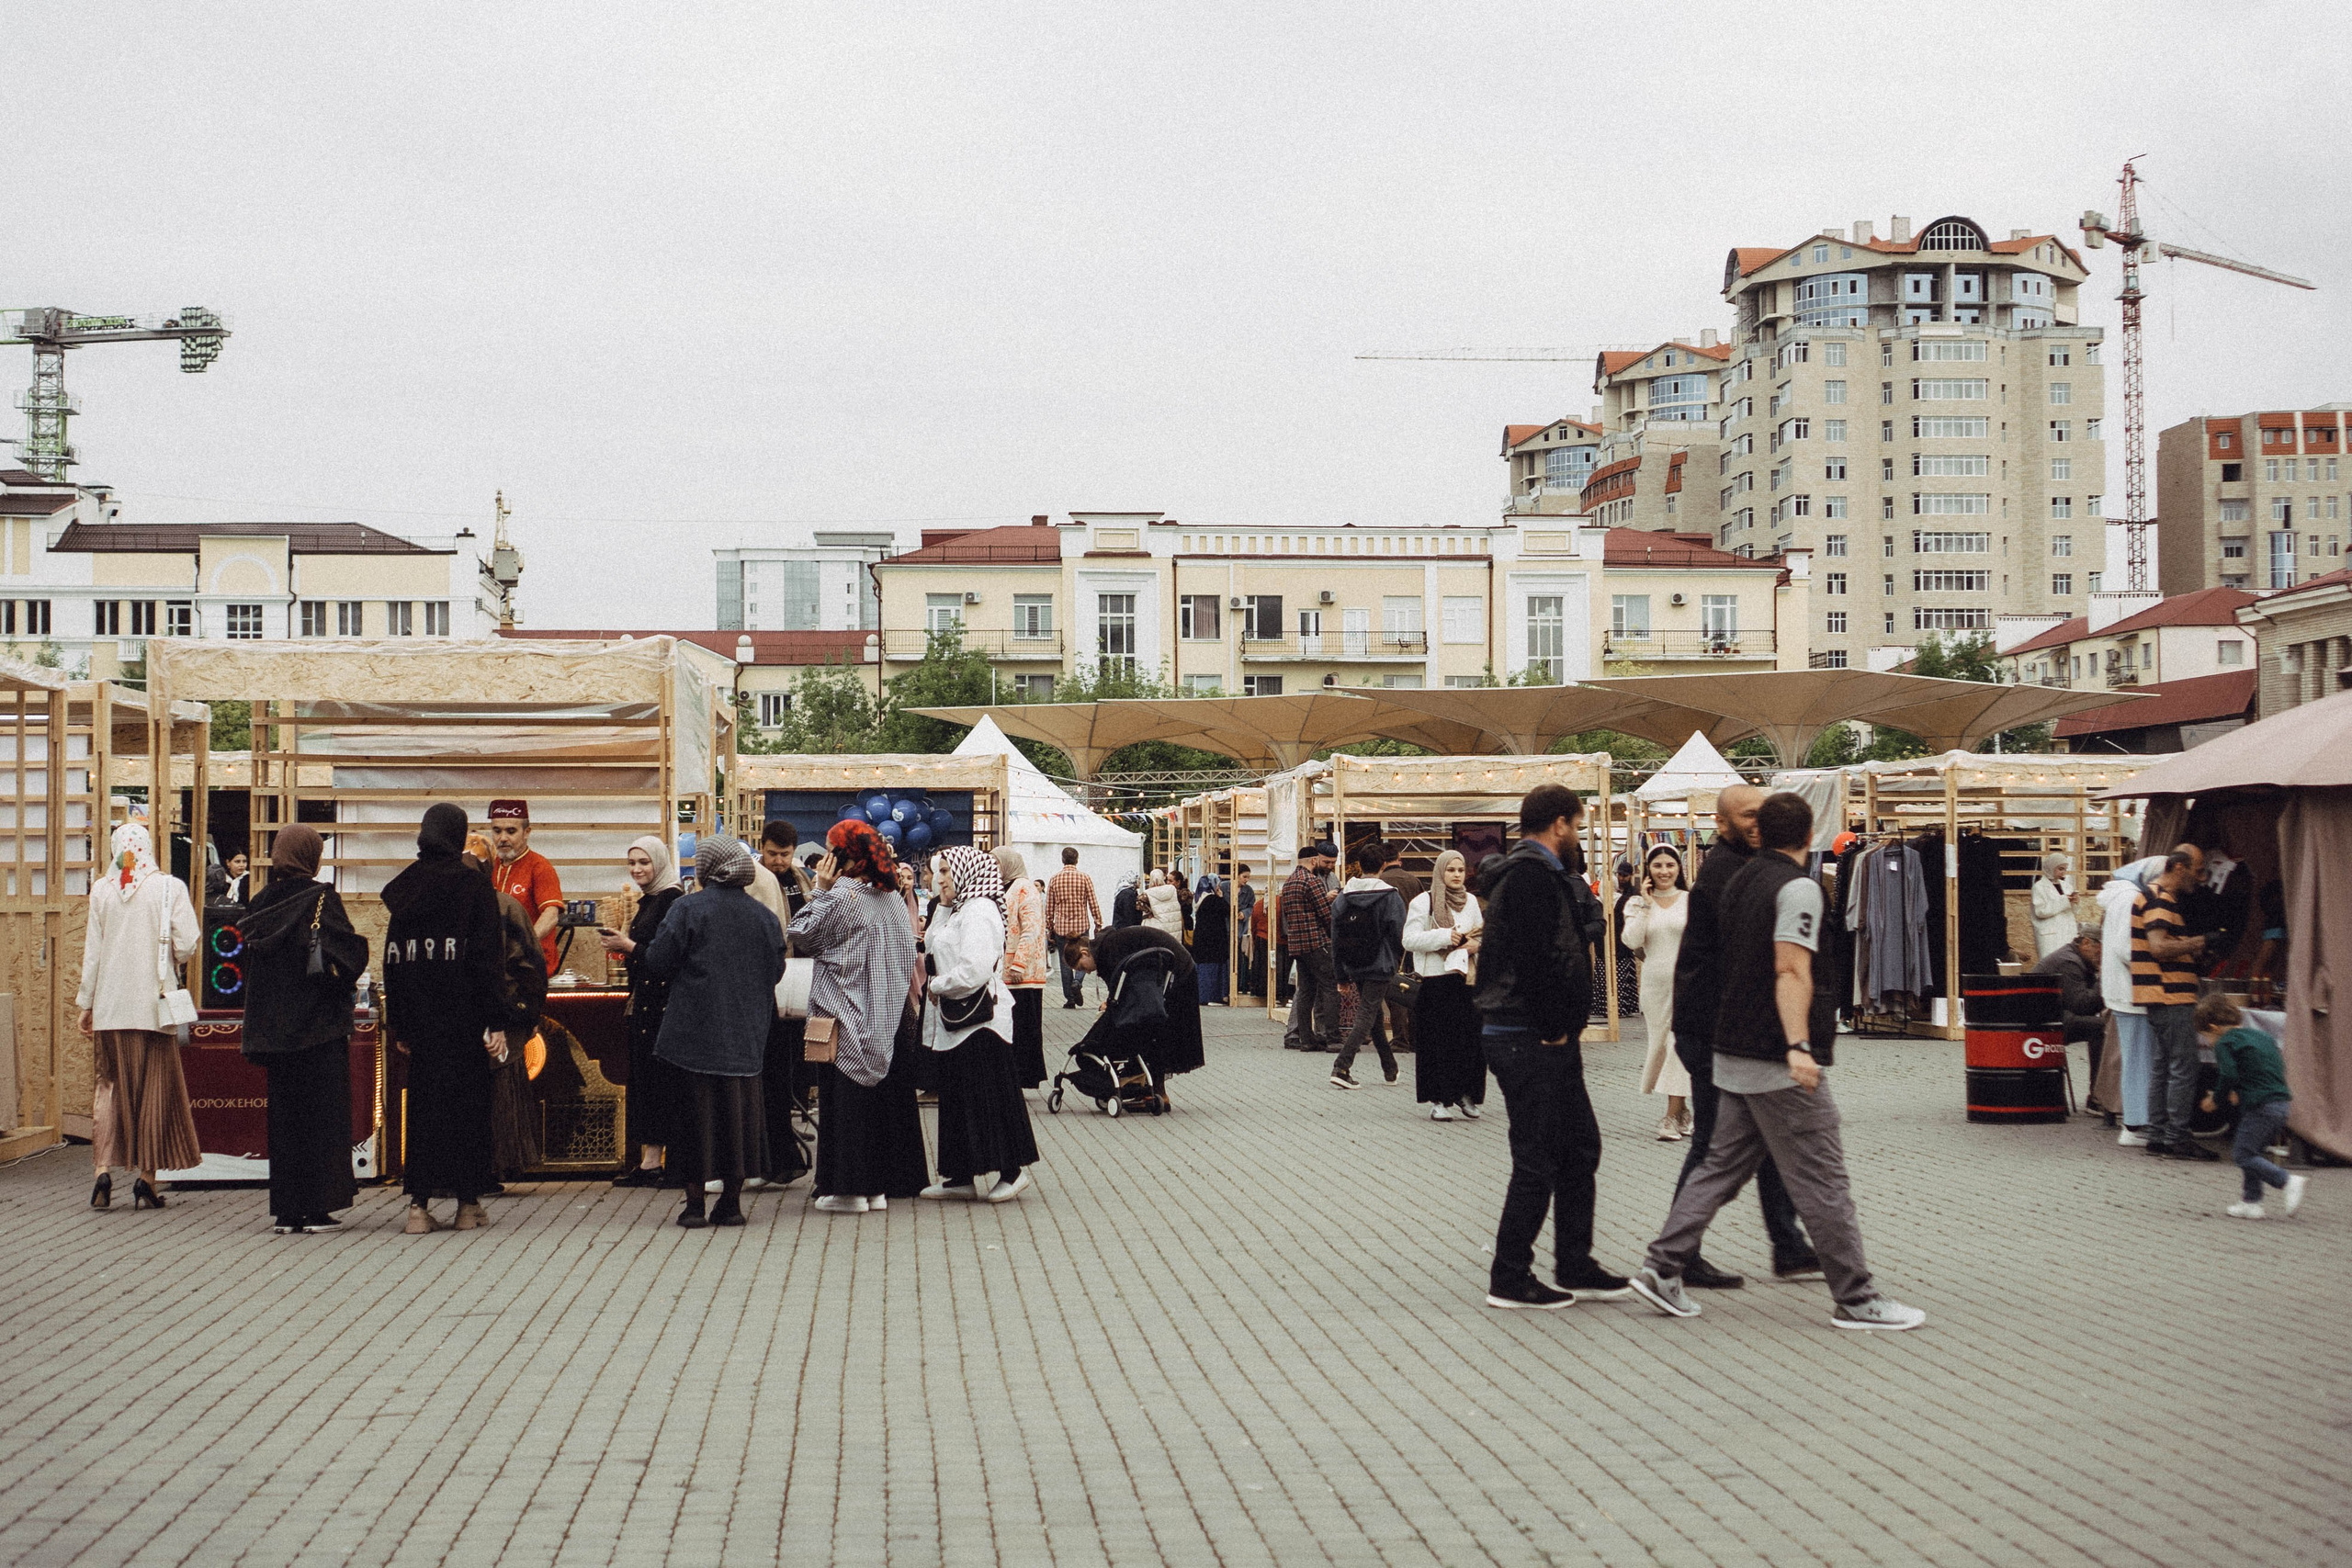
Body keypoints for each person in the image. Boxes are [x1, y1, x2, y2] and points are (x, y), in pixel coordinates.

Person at [1631, 792, 1927, 1333]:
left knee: (1720, 1165)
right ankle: (1856, 1297)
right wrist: (1798, 1046)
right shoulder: (1798, 888)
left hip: (1733, 1046)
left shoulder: (1736, 878)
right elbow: (1791, 970)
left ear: (1761, 833)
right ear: (1811, 836)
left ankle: (1662, 1266)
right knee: (1822, 1176)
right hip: (1774, 1055)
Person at [1472, 784, 1628, 1310]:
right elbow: (1539, 957)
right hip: (1529, 1035)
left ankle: (1575, 1263)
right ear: (1559, 823)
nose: (1578, 835)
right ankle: (1510, 1276)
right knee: (1537, 1156)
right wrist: (1554, 1023)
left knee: (1579, 1146)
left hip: (1533, 1032)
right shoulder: (1531, 876)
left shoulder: (1534, 874)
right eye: (1578, 826)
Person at [1667, 785, 1816, 1290]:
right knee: (1715, 1145)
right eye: (1748, 815)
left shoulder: (1744, 864)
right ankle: (1678, 1255)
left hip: (1725, 1027)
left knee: (1768, 1140)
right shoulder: (1731, 871)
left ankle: (1789, 1246)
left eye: (1763, 814)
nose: (1758, 822)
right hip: (1713, 1029)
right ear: (1723, 822)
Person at [635, 836, 786, 1227]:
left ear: (706, 869)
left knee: (692, 1120)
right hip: (745, 1036)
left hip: (692, 1036)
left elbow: (659, 960)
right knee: (739, 1119)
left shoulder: (688, 908)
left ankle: (695, 1205)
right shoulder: (764, 916)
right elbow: (777, 971)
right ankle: (732, 1204)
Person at [382, 804, 511, 1235]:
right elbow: (487, 962)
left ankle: (418, 1207)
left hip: (420, 1022)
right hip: (465, 1021)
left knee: (423, 1110)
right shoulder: (474, 889)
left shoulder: (405, 889)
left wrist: (398, 1022)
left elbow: (394, 962)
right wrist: (495, 1021)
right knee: (468, 1111)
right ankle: (467, 1205)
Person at [790, 819, 927, 1213]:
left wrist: (819, 890)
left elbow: (800, 932)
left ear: (839, 857)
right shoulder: (890, 899)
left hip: (845, 1015)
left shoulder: (844, 895)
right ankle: (875, 1190)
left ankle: (848, 1190)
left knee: (843, 1105)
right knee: (871, 1105)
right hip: (884, 1017)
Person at [239, 824, 368, 1234]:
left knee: (286, 1121)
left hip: (275, 1035)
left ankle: (287, 1210)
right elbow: (346, 956)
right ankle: (318, 1208)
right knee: (323, 1119)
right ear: (311, 857)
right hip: (318, 1030)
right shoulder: (321, 899)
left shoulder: (258, 904)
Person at [76, 821, 203, 1212]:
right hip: (154, 1008)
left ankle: (102, 1170)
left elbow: (93, 954)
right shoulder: (169, 888)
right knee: (154, 1091)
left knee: (109, 1087)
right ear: (148, 847)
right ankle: (146, 1179)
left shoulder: (101, 890)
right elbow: (186, 944)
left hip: (111, 1009)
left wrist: (87, 1003)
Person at [919, 846, 1040, 1202]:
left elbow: (975, 968)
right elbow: (931, 944)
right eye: (938, 873)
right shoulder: (960, 910)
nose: (939, 880)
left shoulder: (979, 912)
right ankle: (961, 1174)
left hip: (981, 1022)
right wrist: (941, 906)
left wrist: (937, 986)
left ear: (965, 872)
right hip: (960, 1021)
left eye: (945, 872)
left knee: (991, 1096)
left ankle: (1012, 1171)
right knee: (959, 1099)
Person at [602, 836, 686, 1188]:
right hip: (646, 1005)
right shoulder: (650, 900)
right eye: (632, 863)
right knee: (646, 1082)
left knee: (663, 1083)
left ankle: (673, 1162)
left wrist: (627, 945)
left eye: (644, 863)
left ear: (659, 863)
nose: (637, 869)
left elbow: (666, 955)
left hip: (663, 1008)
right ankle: (651, 1161)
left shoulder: (671, 900)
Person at [463, 832, 546, 1187]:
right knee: (499, 1098)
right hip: (503, 1020)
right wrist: (524, 1013)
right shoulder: (505, 907)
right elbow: (530, 965)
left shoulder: (436, 906)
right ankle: (494, 1168)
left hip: (457, 1022)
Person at [2132, 847, 2216, 1161]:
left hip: (2157, 995)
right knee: (2184, 1066)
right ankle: (2177, 1138)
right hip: (2169, 994)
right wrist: (2200, 942)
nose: (2201, 877)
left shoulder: (2152, 896)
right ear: (2179, 868)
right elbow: (2158, 947)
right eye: (2197, 870)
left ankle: (2158, 1134)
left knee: (2163, 1066)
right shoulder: (2159, 899)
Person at [2198, 996, 2307, 1221]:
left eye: (2206, 1036)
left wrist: (2216, 1098)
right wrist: (2240, 1089)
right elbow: (2267, 1065)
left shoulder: (2225, 1043)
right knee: (2251, 1151)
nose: (2208, 1042)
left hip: (2260, 1105)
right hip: (2281, 1103)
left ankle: (2286, 1181)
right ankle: (2251, 1201)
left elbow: (2228, 1074)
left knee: (2242, 1154)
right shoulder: (2261, 1036)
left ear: (2214, 1028)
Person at [1066, 923, 1205, 1087]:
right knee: (1152, 1026)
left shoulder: (1108, 951)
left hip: (1180, 972)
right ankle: (1149, 1086)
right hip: (1178, 966)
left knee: (1159, 1029)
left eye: (1082, 967)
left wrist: (1110, 1005)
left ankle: (1149, 1086)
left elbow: (1118, 992)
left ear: (1085, 953)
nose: (1087, 972)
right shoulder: (1107, 945)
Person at [1403, 849, 1484, 1122]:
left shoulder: (1471, 901)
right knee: (1438, 1042)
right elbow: (1409, 940)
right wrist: (1444, 936)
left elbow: (1481, 933)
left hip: (1466, 980)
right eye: (1451, 870)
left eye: (1461, 870)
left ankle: (1465, 1093)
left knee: (1469, 1041)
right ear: (1440, 872)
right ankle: (1439, 1100)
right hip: (1436, 981)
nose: (1457, 875)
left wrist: (1475, 945)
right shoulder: (1423, 902)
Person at [752, 819, 813, 1185]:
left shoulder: (802, 879)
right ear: (762, 847)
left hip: (802, 975)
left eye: (784, 855)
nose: (777, 861)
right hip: (774, 976)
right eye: (772, 853)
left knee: (796, 1059)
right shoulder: (755, 878)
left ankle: (798, 1105)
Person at [1623, 846, 1692, 1142]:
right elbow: (1631, 940)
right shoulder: (1637, 903)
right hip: (1654, 985)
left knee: (1679, 1044)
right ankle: (1684, 1111)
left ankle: (1670, 1117)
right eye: (1658, 865)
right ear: (1648, 870)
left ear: (1679, 868)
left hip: (1688, 983)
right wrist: (1649, 905)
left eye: (1670, 865)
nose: (1664, 871)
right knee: (1662, 1047)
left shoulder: (1692, 901)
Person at [1329, 840, 1407, 1090]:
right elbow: (1399, 933)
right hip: (1380, 962)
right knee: (1367, 1014)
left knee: (1371, 1014)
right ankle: (1342, 1066)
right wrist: (1396, 959)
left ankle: (1390, 1068)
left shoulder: (1344, 896)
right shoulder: (1390, 895)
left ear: (1359, 865)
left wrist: (1341, 974)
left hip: (1353, 963)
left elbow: (1336, 938)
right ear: (1383, 865)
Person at [2098, 860, 2157, 1145]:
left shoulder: (2122, 897)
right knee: (2138, 1058)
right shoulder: (2131, 899)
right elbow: (2127, 949)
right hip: (2131, 991)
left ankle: (2136, 1121)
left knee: (2136, 1057)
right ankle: (2135, 1124)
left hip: (2124, 991)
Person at [487, 799, 563, 976]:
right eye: (497, 831)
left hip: (530, 965)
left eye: (511, 831)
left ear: (526, 832)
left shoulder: (540, 867)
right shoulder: (489, 865)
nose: (503, 838)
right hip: (497, 965)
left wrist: (523, 945)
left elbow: (552, 915)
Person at [996, 847, 1050, 1086]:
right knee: (1016, 1025)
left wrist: (1019, 963)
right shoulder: (1009, 887)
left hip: (1024, 973)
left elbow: (1032, 927)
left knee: (1024, 1026)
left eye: (998, 863)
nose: (995, 868)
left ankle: (1023, 1075)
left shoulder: (1025, 888)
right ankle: (1016, 1075)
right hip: (1011, 971)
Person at [1281, 843, 1340, 1051]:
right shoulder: (1311, 881)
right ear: (1314, 860)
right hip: (1317, 943)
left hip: (1297, 945)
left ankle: (1306, 1040)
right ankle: (1333, 1039)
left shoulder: (1288, 883)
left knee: (1306, 991)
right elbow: (1325, 914)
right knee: (1331, 987)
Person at [2031, 931, 2107, 1095]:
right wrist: (2104, 978)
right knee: (2103, 1029)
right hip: (2043, 1022)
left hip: (2050, 1015)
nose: (2101, 957)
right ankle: (2098, 1096)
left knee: (2104, 1026)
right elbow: (2082, 1005)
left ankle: (2100, 1094)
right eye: (2100, 952)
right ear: (2086, 943)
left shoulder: (2076, 958)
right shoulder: (2069, 962)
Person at [1375, 847, 1423, 1051]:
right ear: (1399, 859)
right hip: (1412, 941)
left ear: (1382, 862)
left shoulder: (1379, 882)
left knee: (1395, 990)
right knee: (1413, 985)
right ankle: (1415, 1037)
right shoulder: (1414, 880)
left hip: (1386, 943)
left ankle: (1400, 1038)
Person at [1046, 847, 1102, 1009]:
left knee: (1066, 961)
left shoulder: (1055, 879)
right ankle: (1078, 981)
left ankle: (1070, 999)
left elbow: (1049, 907)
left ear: (1063, 860)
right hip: (1081, 926)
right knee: (1084, 955)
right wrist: (1098, 923)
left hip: (1062, 928)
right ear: (1077, 860)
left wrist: (1050, 926)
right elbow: (1093, 902)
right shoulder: (1085, 878)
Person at [2030, 853, 2079, 960]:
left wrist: (2075, 902)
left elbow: (2074, 912)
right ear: (2051, 867)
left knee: (2068, 964)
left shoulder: (2067, 886)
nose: (2063, 872)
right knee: (2052, 965)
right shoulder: (2039, 887)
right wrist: (2064, 901)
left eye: (2065, 869)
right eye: (2060, 869)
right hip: (2050, 936)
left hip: (2067, 932)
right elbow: (2041, 911)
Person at [1611, 859, 1643, 1021]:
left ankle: (1625, 1004)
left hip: (1627, 934)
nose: (1622, 878)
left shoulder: (1634, 894)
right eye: (1619, 874)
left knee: (1624, 968)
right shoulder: (1614, 891)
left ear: (1630, 876)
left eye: (1624, 875)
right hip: (1615, 934)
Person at [1190, 874, 1229, 1005]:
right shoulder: (1212, 899)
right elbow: (1227, 910)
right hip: (1213, 941)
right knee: (1212, 969)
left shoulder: (1199, 898)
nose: (1219, 886)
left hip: (1202, 939)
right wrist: (1221, 897)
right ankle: (1212, 997)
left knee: (1203, 969)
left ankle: (1203, 996)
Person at [1233, 866, 1259, 997]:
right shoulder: (1226, 887)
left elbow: (1251, 907)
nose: (1247, 880)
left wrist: (1245, 913)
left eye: (1248, 877)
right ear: (1236, 875)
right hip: (1227, 926)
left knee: (1239, 957)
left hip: (1240, 927)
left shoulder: (1248, 891)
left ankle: (1237, 985)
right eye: (1244, 876)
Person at [1142, 868, 1184, 938]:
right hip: (1174, 932)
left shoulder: (1148, 894)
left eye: (1170, 880)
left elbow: (1139, 906)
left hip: (1159, 932)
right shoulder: (1173, 891)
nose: (1168, 882)